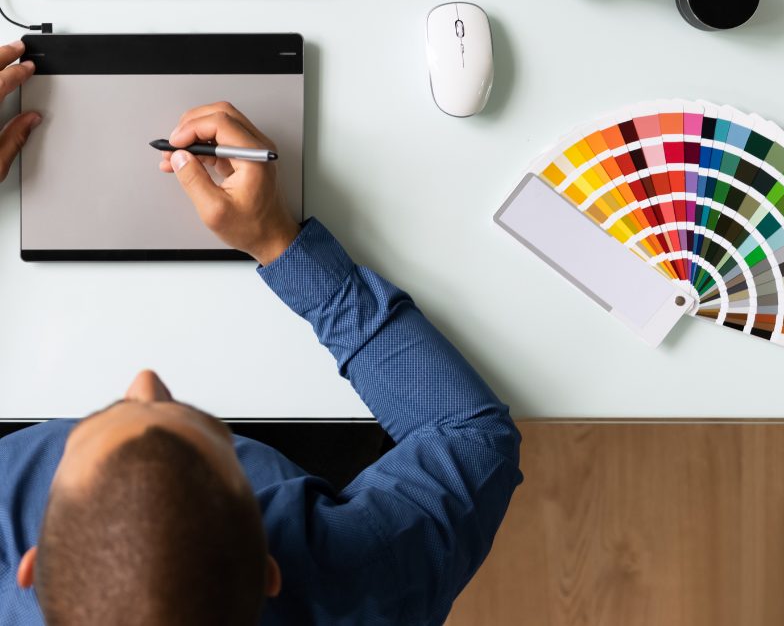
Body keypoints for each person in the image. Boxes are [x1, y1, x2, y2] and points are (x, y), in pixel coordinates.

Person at [0, 39, 523, 625]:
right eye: (190, 428)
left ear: (32, 566)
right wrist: (279, 241)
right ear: (270, 569)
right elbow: (470, 435)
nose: (145, 380)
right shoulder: (353, 582)